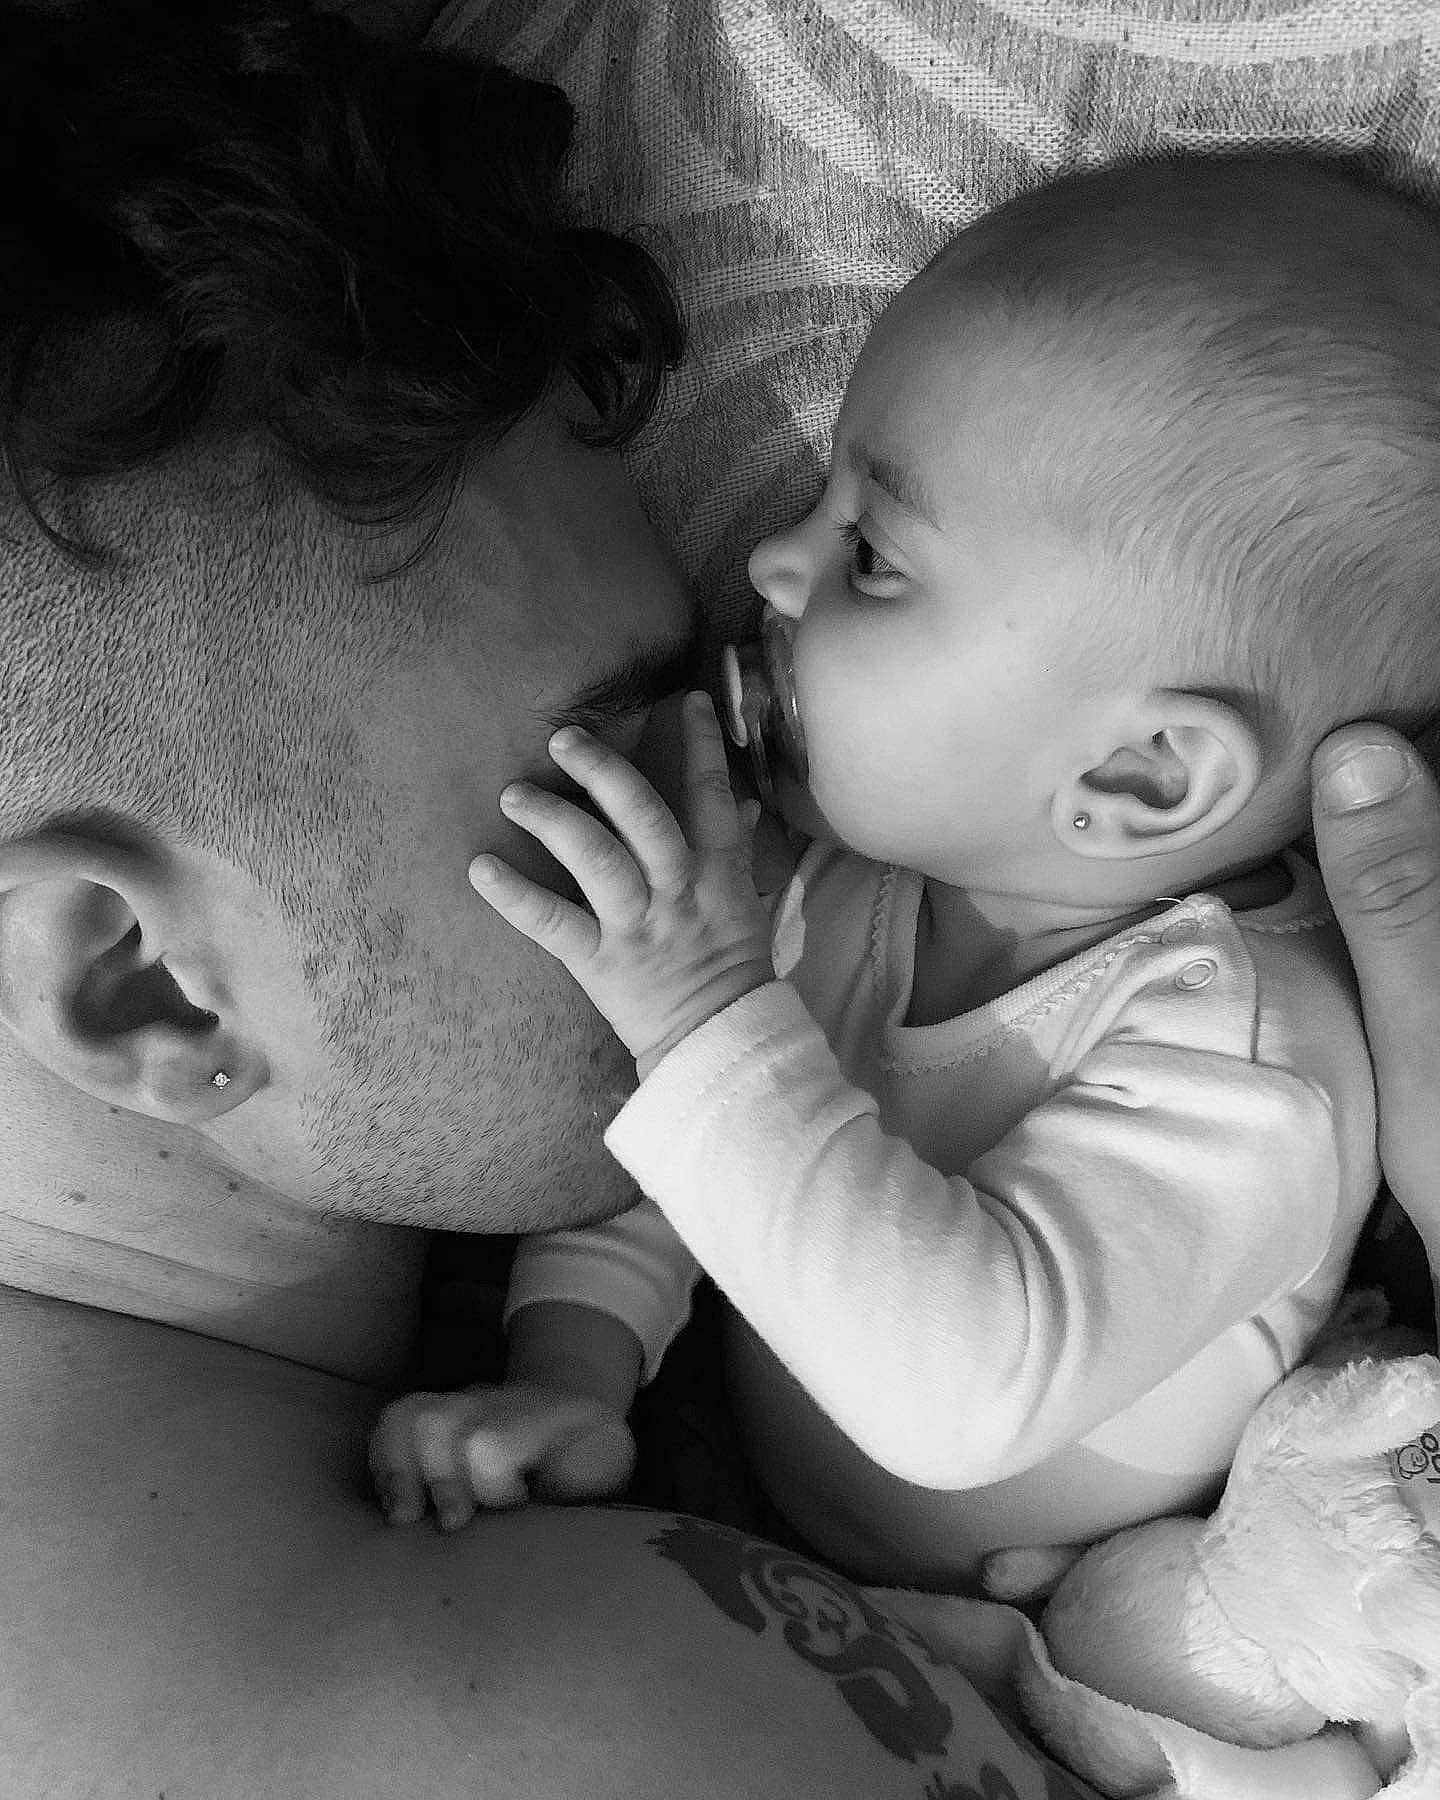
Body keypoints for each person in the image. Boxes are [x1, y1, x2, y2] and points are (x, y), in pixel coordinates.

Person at [3, 1, 1436, 1795]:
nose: (727, 763)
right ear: (142, 985)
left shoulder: (1214, 1029)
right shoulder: (563, 1729)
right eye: (610, 749)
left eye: (869, 562)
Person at [371, 152, 1438, 1592]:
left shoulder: (1246, 1067)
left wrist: (704, 1015)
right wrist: (574, 1374)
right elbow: (695, 1159)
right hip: (767, 1516)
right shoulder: (861, 880)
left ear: (1142, 779)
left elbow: (958, 1393)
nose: (768, 563)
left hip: (1068, 1614)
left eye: (870, 553)